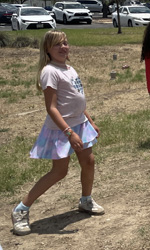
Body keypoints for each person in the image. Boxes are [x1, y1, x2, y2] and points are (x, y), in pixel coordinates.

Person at [11, 30, 104, 236]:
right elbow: (52, 108)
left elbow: (77, 99)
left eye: (65, 43)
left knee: (89, 161)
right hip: (63, 129)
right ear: (47, 49)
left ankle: (86, 200)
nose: (63, 47)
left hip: (79, 124)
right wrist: (69, 132)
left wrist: (90, 120)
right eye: (57, 45)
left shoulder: (69, 69)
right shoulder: (49, 71)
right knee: (59, 171)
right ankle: (21, 210)